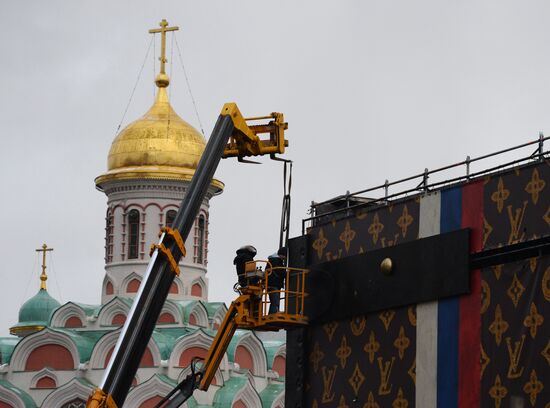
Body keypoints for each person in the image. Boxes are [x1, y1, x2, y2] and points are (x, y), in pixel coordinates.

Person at [266, 247, 287, 314]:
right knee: (275, 301)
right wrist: (287, 273)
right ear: (281, 254)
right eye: (284, 255)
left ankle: (273, 312)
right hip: (273, 284)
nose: (285, 257)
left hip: (272, 283)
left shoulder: (273, 260)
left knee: (274, 301)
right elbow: (280, 272)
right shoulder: (276, 261)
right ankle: (273, 314)